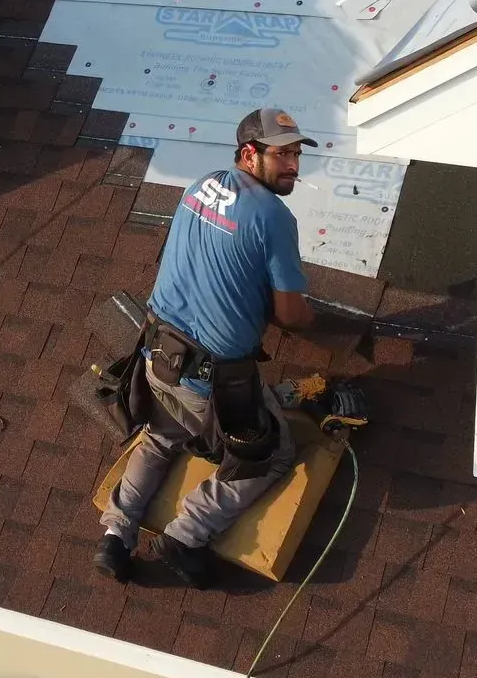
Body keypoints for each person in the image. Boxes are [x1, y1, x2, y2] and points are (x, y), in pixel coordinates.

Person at [94, 107, 318, 588]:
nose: (294, 166)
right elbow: (290, 316)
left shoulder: (201, 185)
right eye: (282, 155)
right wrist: (311, 318)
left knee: (162, 434)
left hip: (156, 355)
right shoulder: (274, 217)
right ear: (249, 154)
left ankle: (115, 534)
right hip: (211, 384)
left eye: (297, 155)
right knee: (270, 455)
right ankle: (185, 537)